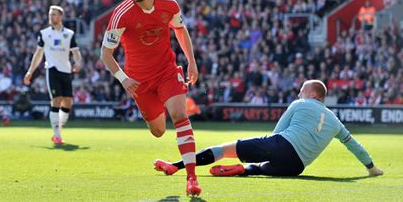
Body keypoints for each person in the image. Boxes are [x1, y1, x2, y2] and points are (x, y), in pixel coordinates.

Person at [100, 0, 201, 196]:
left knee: (179, 114)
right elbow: (105, 53)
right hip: (139, 82)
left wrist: (192, 62)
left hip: (167, 71)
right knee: (158, 131)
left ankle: (191, 178)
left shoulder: (169, 5)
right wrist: (123, 79)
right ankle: (161, 106)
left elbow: (180, 30)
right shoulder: (121, 14)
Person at [154, 80, 384, 178]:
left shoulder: (300, 104)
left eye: (302, 90)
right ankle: (244, 169)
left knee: (224, 149)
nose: (298, 94)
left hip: (281, 145)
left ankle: (176, 166)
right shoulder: (336, 121)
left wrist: (266, 146)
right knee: (262, 168)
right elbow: (354, 145)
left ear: (313, 94)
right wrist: (371, 168)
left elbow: (277, 132)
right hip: (297, 167)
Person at [24, 5, 82, 145]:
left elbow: (76, 53)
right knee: (56, 100)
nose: (51, 17)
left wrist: (78, 63)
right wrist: (30, 71)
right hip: (52, 69)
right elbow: (38, 54)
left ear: (61, 16)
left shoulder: (69, 34)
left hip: (66, 70)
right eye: (50, 14)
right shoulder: (44, 34)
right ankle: (56, 134)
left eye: (54, 14)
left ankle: (58, 129)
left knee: (68, 102)